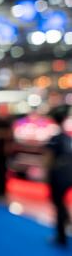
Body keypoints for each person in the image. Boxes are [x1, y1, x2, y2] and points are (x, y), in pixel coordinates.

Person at [45, 105, 72, 247]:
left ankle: (61, 237)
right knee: (60, 204)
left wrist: (46, 175)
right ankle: (67, 222)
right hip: (68, 175)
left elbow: (48, 160)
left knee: (58, 204)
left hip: (58, 177)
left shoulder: (56, 138)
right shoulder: (67, 138)